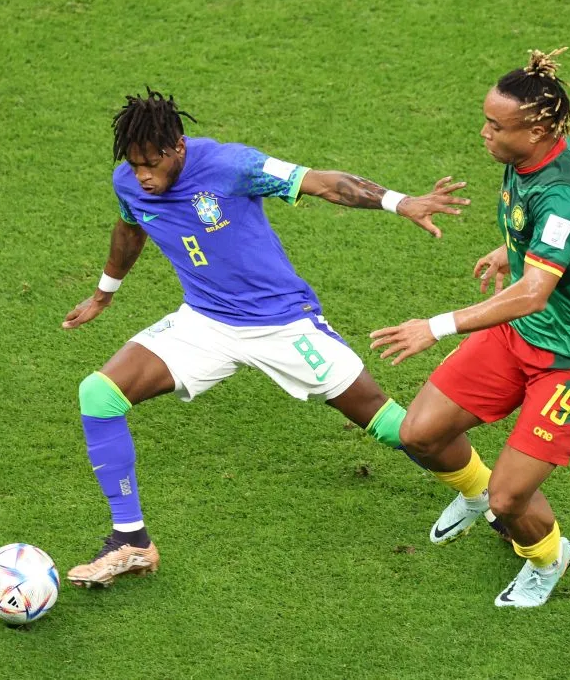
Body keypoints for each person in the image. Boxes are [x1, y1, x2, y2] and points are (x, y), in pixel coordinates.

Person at [62, 88, 483, 588]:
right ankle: (131, 541)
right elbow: (130, 227)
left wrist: (400, 202)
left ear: (177, 146)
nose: (142, 177)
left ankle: (487, 495)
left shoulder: (231, 165)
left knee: (395, 426)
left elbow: (324, 184)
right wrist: (105, 292)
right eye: (133, 166)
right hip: (205, 321)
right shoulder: (131, 183)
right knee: (98, 394)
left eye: (151, 164)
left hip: (281, 323)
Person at [370, 48, 570, 608]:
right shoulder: (526, 158)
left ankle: (548, 557)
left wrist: (436, 326)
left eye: (496, 125)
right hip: (520, 335)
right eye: (486, 120)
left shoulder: (564, 195)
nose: (484, 133)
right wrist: (515, 251)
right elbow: (549, 255)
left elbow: (536, 293)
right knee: (420, 433)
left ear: (536, 129)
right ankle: (471, 493)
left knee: (510, 500)